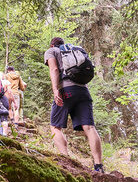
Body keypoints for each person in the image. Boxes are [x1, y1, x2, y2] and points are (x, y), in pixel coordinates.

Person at [44, 37, 104, 172]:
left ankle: (66, 161)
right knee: (89, 127)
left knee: (55, 127)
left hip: (66, 91)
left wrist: (55, 90)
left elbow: (54, 70)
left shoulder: (52, 51)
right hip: (83, 91)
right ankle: (98, 166)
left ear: (52, 44)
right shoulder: (76, 50)